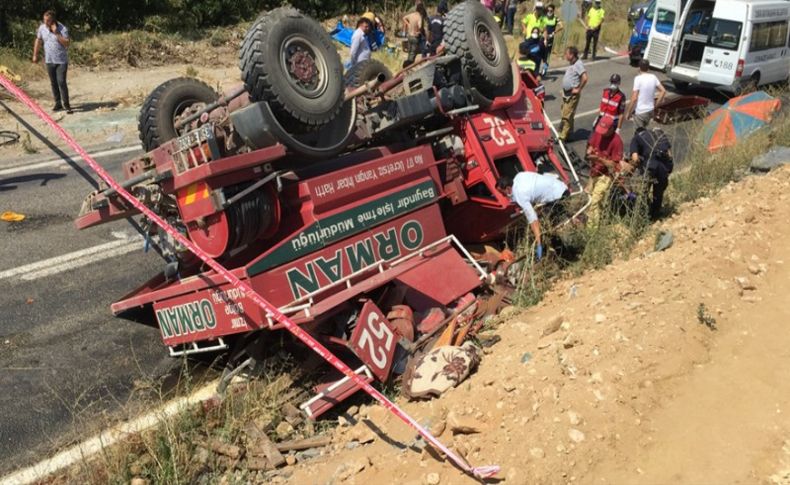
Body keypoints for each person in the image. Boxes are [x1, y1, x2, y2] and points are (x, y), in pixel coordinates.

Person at [496, 171, 570, 261]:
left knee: (547, 228)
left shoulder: (519, 194)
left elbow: (533, 219)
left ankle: (565, 257)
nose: (502, 195)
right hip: (560, 188)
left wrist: (538, 241)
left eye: (502, 192)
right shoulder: (519, 176)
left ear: (508, 189)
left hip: (558, 196)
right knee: (546, 221)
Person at [627, 126, 673, 219]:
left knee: (642, 193)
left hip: (650, 167)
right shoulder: (659, 134)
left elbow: (635, 159)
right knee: (658, 193)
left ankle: (642, 216)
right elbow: (670, 155)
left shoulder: (636, 138)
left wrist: (637, 165)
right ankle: (656, 215)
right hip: (663, 168)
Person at [33, 10, 71, 114]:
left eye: (48, 20)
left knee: (61, 82)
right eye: (44, 20)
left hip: (61, 61)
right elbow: (38, 40)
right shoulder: (42, 28)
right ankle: (58, 103)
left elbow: (67, 44)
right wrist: (35, 55)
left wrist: (57, 33)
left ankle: (67, 104)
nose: (45, 22)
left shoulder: (62, 28)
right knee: (53, 82)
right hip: (49, 60)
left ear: (53, 20)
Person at [626, 59, 666, 129]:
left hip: (641, 112)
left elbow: (634, 98)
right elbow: (663, 91)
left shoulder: (638, 79)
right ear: (648, 67)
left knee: (639, 134)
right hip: (650, 110)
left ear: (639, 67)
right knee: (646, 132)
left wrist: (628, 113)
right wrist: (656, 105)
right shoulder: (653, 77)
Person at [559, 46, 587, 142]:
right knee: (566, 113)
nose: (565, 56)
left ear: (571, 55)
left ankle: (562, 137)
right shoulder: (572, 64)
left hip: (572, 95)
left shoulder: (578, 64)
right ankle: (570, 134)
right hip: (566, 93)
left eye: (566, 54)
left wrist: (578, 89)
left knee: (566, 116)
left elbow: (585, 77)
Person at [540, 4, 563, 76]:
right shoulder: (543, 17)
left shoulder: (555, 18)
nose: (549, 12)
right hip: (542, 37)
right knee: (540, 53)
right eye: (548, 10)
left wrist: (554, 32)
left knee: (547, 55)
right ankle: (536, 70)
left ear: (553, 11)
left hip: (550, 38)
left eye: (551, 11)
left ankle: (544, 70)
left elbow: (561, 26)